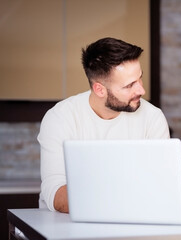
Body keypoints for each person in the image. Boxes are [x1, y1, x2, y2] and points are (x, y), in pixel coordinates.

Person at [38, 37, 170, 213]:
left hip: (133, 221)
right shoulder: (60, 118)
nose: (141, 90)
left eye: (140, 79)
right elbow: (56, 195)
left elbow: (163, 185)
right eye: (129, 85)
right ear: (99, 89)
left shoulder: (153, 117)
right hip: (65, 227)